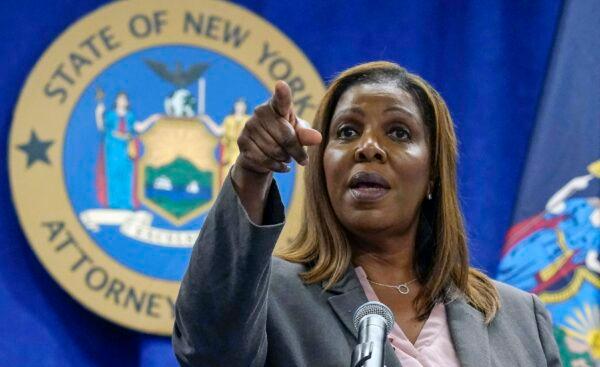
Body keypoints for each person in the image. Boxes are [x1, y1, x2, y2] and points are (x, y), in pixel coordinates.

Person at [172, 62, 562, 366]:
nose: (368, 148)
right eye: (346, 132)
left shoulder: (519, 319)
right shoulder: (268, 295)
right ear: (322, 166)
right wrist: (251, 170)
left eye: (398, 133)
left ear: (432, 175)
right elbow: (208, 352)